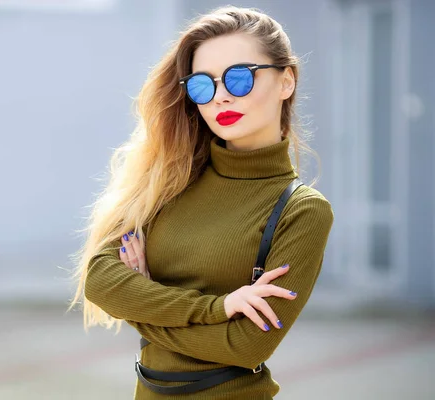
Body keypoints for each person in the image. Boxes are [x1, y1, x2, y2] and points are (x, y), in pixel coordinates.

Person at [68, 5, 334, 399]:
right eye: (202, 85)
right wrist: (218, 309)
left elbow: (247, 345)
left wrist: (140, 300)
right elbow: (101, 280)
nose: (221, 97)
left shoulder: (302, 210)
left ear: (286, 81)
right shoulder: (169, 181)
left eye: (239, 78)